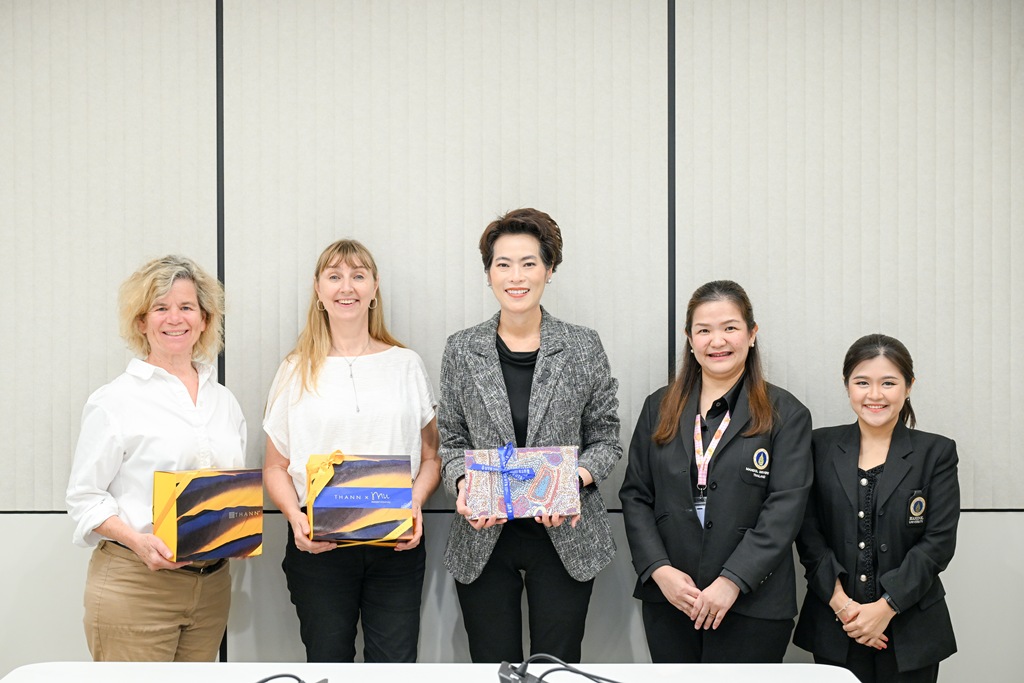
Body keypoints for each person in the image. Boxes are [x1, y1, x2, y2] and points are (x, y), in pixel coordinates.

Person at [439, 208, 621, 663]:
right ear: (488, 274)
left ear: (549, 269)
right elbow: (451, 440)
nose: (516, 277)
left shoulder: (582, 345)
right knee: (491, 665)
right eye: (503, 264)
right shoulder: (461, 348)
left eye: (529, 263)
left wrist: (570, 482)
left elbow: (606, 439)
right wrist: (463, 486)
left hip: (564, 532)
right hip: (483, 533)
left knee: (556, 666)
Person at [263, 238, 440, 663]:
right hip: (319, 548)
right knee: (328, 665)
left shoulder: (406, 364)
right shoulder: (294, 369)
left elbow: (431, 458)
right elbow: (275, 466)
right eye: (335, 276)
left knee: (394, 668)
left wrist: (415, 503)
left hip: (396, 546)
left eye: (358, 276)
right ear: (318, 289)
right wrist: (295, 519)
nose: (347, 287)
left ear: (374, 287)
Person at [618, 280, 812, 663]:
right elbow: (636, 495)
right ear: (690, 340)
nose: (717, 341)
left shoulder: (786, 414)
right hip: (673, 599)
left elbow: (784, 510)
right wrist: (659, 570)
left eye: (730, 327)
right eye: (704, 330)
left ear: (752, 334)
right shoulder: (659, 407)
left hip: (753, 602)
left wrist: (732, 581)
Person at [66, 255, 246, 661]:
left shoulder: (224, 401)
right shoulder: (115, 400)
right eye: (160, 308)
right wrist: (137, 540)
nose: (175, 318)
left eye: (186, 307)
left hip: (212, 587)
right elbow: (84, 498)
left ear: (204, 319)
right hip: (137, 585)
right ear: (141, 322)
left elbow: (231, 486)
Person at [794, 334, 959, 682]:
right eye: (862, 382)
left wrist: (886, 608)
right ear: (847, 385)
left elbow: (938, 543)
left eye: (888, 383)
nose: (875, 395)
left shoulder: (936, 453)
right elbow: (808, 534)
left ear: (908, 386)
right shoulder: (819, 446)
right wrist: (842, 605)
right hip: (836, 623)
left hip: (912, 628)